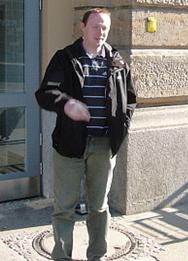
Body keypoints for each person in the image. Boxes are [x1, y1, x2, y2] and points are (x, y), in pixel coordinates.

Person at [35, 8, 136, 261]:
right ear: (83, 27)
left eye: (104, 27)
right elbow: (45, 92)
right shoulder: (66, 58)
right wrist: (67, 104)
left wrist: (122, 124)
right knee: (64, 209)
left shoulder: (117, 60)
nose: (100, 32)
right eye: (95, 26)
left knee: (99, 208)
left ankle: (97, 256)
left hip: (104, 146)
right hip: (70, 145)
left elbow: (131, 99)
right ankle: (62, 257)